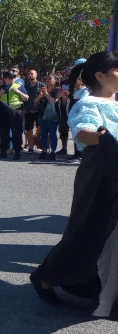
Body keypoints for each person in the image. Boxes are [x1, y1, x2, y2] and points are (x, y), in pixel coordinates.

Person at [31, 50, 118, 319]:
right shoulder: (88, 102)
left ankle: (102, 287)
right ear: (101, 76)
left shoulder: (115, 102)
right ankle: (45, 276)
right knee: (89, 229)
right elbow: (82, 133)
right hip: (100, 172)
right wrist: (103, 138)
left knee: (112, 234)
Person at [0, 71, 29, 160]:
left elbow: (26, 98)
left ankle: (17, 152)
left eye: (13, 77)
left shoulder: (18, 86)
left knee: (16, 133)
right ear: (5, 78)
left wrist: (18, 91)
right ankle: (3, 152)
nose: (12, 79)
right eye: (10, 77)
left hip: (16, 111)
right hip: (4, 112)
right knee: (3, 133)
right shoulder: (1, 87)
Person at [34, 74, 63, 160]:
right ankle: (44, 151)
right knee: (43, 133)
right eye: (47, 78)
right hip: (42, 114)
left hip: (52, 115)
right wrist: (40, 95)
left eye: (50, 79)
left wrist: (46, 93)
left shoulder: (57, 90)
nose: (48, 80)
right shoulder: (43, 89)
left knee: (53, 133)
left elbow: (53, 101)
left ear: (55, 81)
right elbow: (35, 102)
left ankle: (53, 151)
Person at [23, 70, 45, 153]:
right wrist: (24, 108)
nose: (30, 75)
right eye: (28, 74)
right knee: (29, 129)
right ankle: (30, 146)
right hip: (28, 110)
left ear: (36, 75)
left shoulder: (41, 85)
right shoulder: (25, 85)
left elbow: (44, 97)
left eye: (31, 73)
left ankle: (40, 145)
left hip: (38, 110)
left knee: (39, 128)